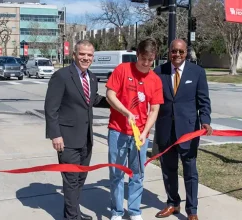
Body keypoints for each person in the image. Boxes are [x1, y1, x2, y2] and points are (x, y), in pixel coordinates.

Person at [44, 39, 109, 220]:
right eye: (82, 54)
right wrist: (55, 135)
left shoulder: (92, 77)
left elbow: (93, 99)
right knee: (71, 180)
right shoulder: (62, 76)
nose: (85, 58)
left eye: (89, 55)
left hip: (86, 139)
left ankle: (73, 213)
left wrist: (113, 101)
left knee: (80, 179)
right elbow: (51, 108)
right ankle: (72, 217)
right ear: (74, 55)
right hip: (67, 138)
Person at [153, 39, 213, 220]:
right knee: (168, 169)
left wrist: (205, 120)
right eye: (174, 51)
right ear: (169, 52)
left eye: (181, 51)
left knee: (190, 171)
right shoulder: (158, 72)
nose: (177, 55)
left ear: (186, 52)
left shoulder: (197, 72)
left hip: (188, 130)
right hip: (165, 129)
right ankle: (173, 203)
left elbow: (204, 100)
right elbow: (152, 101)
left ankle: (192, 210)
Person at [105, 37, 164, 220]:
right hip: (118, 131)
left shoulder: (155, 80)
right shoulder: (122, 70)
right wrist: (125, 112)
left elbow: (154, 109)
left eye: (150, 60)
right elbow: (109, 95)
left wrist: (145, 132)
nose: (146, 63)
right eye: (143, 58)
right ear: (137, 55)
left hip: (140, 135)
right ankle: (116, 211)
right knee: (117, 173)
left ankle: (135, 211)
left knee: (137, 174)